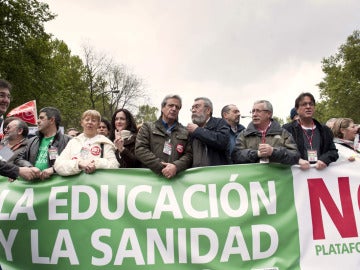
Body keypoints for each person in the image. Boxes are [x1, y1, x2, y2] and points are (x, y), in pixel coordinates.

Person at [135, 94, 192, 178]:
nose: (174, 109)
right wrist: (164, 168)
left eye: (177, 107)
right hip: (151, 179)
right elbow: (140, 149)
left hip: (176, 181)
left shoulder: (185, 132)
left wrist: (175, 167)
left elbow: (189, 155)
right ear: (162, 108)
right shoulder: (147, 127)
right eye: (171, 105)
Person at [232, 100, 299, 165]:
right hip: (253, 175)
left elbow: (295, 156)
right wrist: (257, 154)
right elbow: (236, 156)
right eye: (253, 111)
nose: (254, 114)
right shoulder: (244, 135)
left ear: (269, 114)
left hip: (276, 175)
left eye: (258, 111)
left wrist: (273, 152)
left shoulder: (283, 134)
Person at [283, 92, 338, 170]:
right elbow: (281, 151)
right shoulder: (287, 129)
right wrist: (297, 160)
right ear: (297, 109)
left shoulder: (324, 129)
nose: (308, 107)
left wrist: (324, 160)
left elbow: (333, 151)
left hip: (321, 175)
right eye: (304, 104)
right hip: (298, 177)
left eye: (311, 104)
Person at [54, 110, 119, 176]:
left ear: (98, 124)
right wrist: (78, 164)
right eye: (87, 120)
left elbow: (114, 165)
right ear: (82, 123)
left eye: (93, 120)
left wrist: (96, 164)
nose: (90, 122)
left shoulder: (105, 143)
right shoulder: (73, 142)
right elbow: (58, 165)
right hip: (75, 185)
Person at [14, 107, 72, 180]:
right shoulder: (31, 141)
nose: (37, 121)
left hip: (56, 186)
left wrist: (54, 169)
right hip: (32, 186)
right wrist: (30, 167)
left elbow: (73, 162)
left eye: (41, 118)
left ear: (51, 120)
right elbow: (18, 159)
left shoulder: (69, 141)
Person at [187, 97, 229, 167]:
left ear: (208, 110)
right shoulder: (190, 130)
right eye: (192, 108)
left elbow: (222, 141)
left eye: (197, 107)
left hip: (215, 174)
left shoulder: (220, 123)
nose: (193, 110)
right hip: (195, 175)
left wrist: (197, 130)